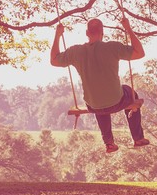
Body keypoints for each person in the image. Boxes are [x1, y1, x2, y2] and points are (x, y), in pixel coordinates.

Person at [50, 16, 149, 153]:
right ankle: (138, 138)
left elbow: (54, 60)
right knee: (129, 91)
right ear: (102, 32)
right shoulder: (112, 47)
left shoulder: (75, 51)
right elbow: (140, 53)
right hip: (117, 102)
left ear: (87, 33)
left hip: (93, 106)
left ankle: (109, 143)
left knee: (98, 102)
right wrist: (128, 29)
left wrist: (57, 35)